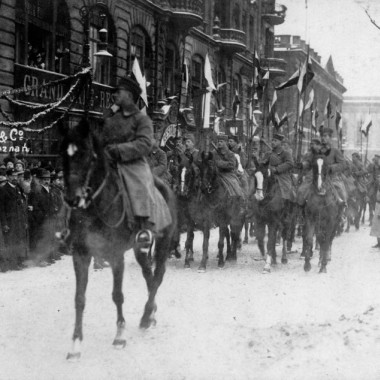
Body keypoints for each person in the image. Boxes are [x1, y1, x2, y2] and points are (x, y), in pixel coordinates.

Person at [103, 76, 172, 249]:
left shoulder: (142, 119)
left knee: (140, 187)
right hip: (109, 161)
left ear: (129, 95)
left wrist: (119, 150)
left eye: (119, 92)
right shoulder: (111, 117)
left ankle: (144, 227)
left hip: (132, 164)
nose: (115, 95)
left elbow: (144, 144)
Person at [0, 169, 29, 270]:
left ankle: (19, 261)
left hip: (19, 220)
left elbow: (21, 206)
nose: (15, 178)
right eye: (12, 176)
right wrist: (4, 224)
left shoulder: (18, 188)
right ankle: (12, 263)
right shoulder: (3, 190)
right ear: (7, 177)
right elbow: (1, 209)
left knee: (19, 241)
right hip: (10, 221)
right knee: (11, 242)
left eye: (16, 176)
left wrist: (25, 221)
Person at [260, 133, 295, 202]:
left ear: (280, 142)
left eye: (275, 141)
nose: (273, 142)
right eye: (272, 140)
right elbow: (263, 164)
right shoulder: (268, 153)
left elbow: (290, 163)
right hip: (269, 176)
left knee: (286, 193)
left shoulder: (285, 153)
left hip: (281, 177)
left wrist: (277, 169)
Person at [210, 134, 244, 199]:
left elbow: (232, 165)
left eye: (221, 141)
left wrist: (220, 163)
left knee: (235, 186)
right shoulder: (214, 152)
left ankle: (237, 200)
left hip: (227, 174)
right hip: (215, 173)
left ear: (225, 142)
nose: (219, 143)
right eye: (218, 141)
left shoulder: (230, 153)